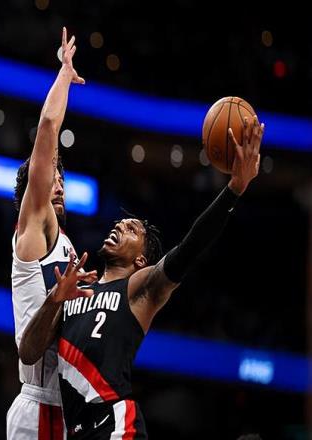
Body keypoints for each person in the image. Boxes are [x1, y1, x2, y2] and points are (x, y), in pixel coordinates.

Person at [19, 117, 264, 438]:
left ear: (140, 260)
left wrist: (233, 190)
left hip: (116, 423)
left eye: (131, 229)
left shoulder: (139, 289)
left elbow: (189, 249)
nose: (119, 226)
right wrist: (54, 299)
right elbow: (28, 352)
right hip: (77, 432)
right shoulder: (75, 289)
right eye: (121, 224)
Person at [7, 27, 96, 440]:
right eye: (50, 177)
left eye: (62, 178)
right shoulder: (34, 224)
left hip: (68, 406)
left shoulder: (65, 243)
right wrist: (64, 74)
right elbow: (47, 126)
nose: (58, 184)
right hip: (39, 406)